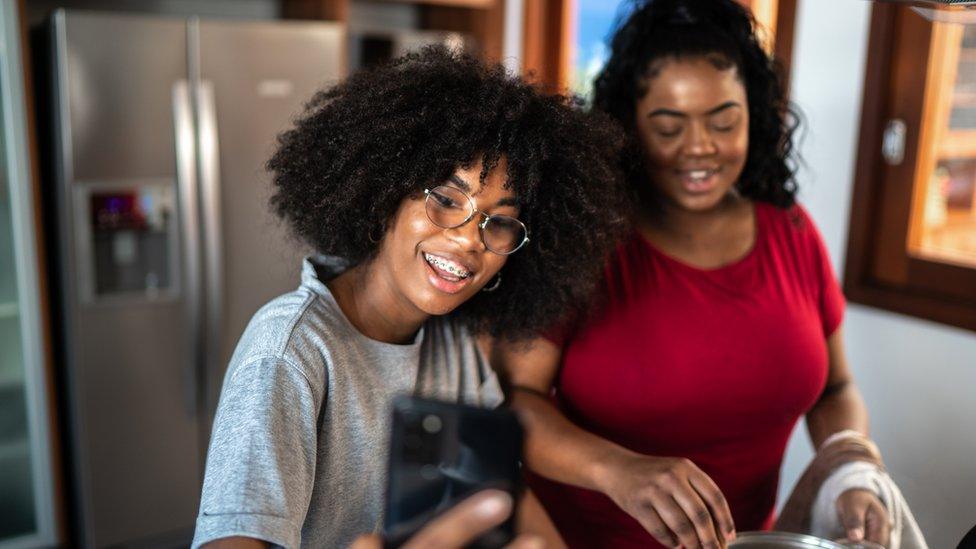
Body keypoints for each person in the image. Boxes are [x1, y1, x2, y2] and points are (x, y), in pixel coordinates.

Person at [190, 46, 625, 548]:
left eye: (499, 222)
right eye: (445, 199)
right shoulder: (291, 351)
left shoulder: (453, 341)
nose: (468, 240)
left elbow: (497, 490)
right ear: (384, 194)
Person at [494, 1, 889, 548]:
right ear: (627, 129)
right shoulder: (586, 243)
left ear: (755, 114)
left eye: (723, 121)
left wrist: (849, 468)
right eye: (668, 126)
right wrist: (619, 469)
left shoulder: (793, 233)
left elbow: (836, 388)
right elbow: (518, 402)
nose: (700, 147)